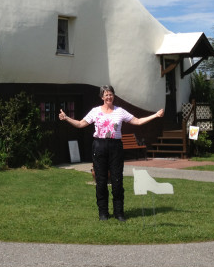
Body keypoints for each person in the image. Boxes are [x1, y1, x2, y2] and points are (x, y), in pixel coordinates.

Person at [59, 85, 164, 222]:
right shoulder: (95, 111)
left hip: (115, 147)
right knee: (101, 181)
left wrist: (155, 115)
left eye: (111, 94)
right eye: (106, 94)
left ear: (113, 96)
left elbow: (137, 121)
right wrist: (66, 118)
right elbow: (80, 124)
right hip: (99, 146)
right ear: (102, 97)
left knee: (117, 180)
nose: (109, 97)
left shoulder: (120, 111)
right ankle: (103, 213)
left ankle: (119, 213)